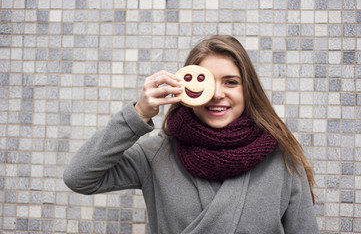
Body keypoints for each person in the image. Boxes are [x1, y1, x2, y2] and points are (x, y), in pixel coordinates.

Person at [63, 35, 319, 233]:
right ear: (185, 89)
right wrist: (138, 113)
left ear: (248, 90)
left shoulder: (282, 157)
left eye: (231, 82)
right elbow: (79, 177)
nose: (217, 94)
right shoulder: (157, 154)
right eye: (206, 83)